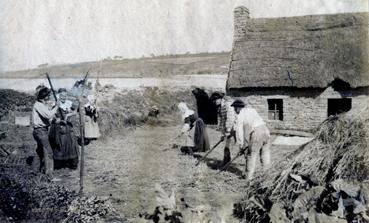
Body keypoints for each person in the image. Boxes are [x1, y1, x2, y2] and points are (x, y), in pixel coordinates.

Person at [231, 99, 271, 180]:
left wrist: (241, 146)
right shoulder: (252, 110)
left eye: (235, 108)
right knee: (265, 152)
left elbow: (239, 133)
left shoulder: (240, 116)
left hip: (257, 132)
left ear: (238, 108)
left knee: (251, 155)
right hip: (266, 130)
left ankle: (248, 177)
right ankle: (267, 174)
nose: (234, 110)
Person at [32, 86, 59, 179]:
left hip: (41, 130)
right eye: (49, 95)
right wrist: (56, 107)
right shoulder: (38, 105)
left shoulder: (42, 105)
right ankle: (49, 176)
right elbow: (48, 115)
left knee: (39, 150)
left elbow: (47, 118)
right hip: (40, 131)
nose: (50, 97)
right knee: (49, 152)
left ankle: (34, 171)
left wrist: (55, 120)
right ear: (45, 96)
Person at [49, 89, 79, 170]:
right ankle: (59, 164)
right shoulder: (56, 104)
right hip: (59, 128)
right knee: (60, 145)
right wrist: (57, 119)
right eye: (62, 95)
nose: (64, 97)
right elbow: (51, 115)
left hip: (68, 127)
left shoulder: (69, 103)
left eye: (65, 95)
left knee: (71, 144)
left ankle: (72, 163)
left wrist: (70, 114)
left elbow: (77, 109)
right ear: (59, 96)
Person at [210, 92, 236, 167]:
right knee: (227, 146)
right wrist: (222, 133)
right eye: (213, 101)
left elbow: (230, 117)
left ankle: (227, 162)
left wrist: (228, 130)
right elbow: (221, 121)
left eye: (215, 100)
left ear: (220, 99)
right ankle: (226, 162)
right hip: (229, 129)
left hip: (235, 127)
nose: (215, 102)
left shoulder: (228, 104)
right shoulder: (220, 107)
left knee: (240, 145)